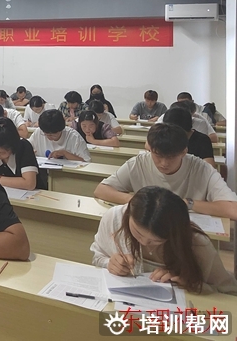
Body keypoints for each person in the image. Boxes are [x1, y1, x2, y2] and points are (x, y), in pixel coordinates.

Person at [91, 186, 237, 295]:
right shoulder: (113, 218)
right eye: (138, 233)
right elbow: (97, 257)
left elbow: (229, 291)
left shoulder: (197, 243)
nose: (144, 243)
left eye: (155, 241)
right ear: (129, 214)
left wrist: (189, 284)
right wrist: (110, 264)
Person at [93, 124, 237, 219]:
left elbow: (233, 209)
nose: (163, 163)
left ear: (184, 152)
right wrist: (138, 200)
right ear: (150, 149)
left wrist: (186, 203)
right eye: (158, 156)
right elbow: (101, 190)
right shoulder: (138, 163)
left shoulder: (202, 169)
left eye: (171, 157)